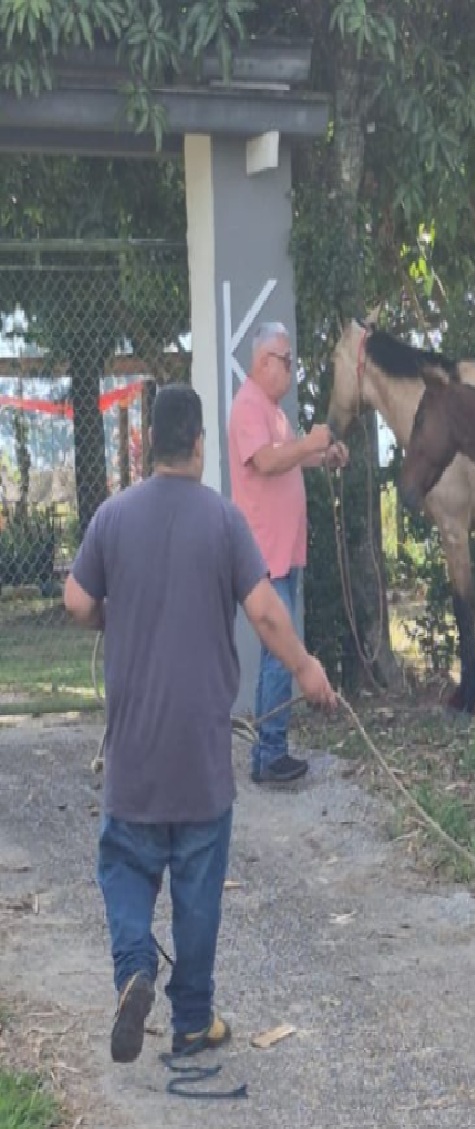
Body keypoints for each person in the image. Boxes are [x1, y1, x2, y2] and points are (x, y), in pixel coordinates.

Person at [63, 383, 338, 1065]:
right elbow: (267, 611)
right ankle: (191, 1020)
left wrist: (110, 611)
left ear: (151, 443)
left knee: (124, 864)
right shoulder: (222, 522)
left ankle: (133, 967)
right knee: (197, 885)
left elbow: (76, 599)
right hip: (200, 752)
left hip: (133, 750)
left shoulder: (112, 518)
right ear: (197, 445)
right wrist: (305, 669)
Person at [227, 321, 349, 785]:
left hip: (283, 550)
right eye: (286, 360)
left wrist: (324, 455)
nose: (291, 369)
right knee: (279, 650)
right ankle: (271, 753)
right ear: (262, 363)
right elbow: (266, 461)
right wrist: (310, 444)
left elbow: (290, 456)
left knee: (278, 649)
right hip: (265, 553)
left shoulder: (273, 412)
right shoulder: (248, 408)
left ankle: (269, 752)